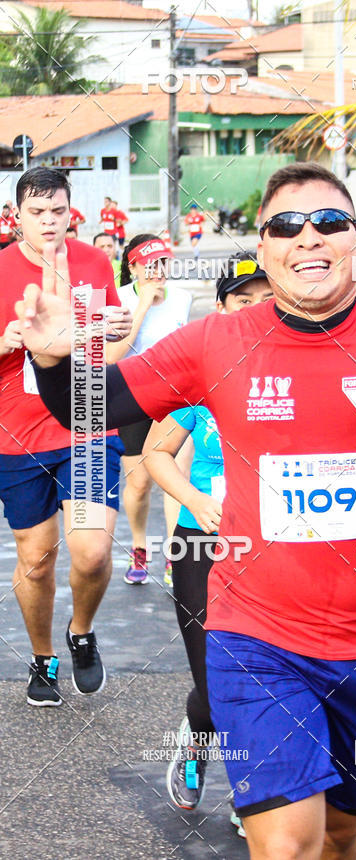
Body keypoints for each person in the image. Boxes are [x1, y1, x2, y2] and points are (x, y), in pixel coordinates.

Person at [21, 162, 356, 858]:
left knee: (340, 835)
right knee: (287, 845)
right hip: (253, 636)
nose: (307, 237)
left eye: (329, 222)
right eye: (286, 225)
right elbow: (89, 407)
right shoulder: (216, 341)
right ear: (265, 243)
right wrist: (55, 361)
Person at [144, 252, 272, 835]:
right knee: (213, 680)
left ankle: (253, 797)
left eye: (266, 298)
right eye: (243, 299)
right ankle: (198, 742)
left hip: (276, 549)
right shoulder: (202, 378)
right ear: (222, 309)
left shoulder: (302, 372)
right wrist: (195, 503)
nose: (256, 310)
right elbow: (156, 453)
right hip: (201, 545)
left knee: (267, 677)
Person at [0, 168, 132, 707]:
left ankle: (82, 631)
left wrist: (114, 329)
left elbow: (107, 348)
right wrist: (8, 340)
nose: (49, 223)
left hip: (86, 423)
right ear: (16, 216)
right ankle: (44, 656)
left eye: (58, 211)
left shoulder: (95, 262)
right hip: (18, 435)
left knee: (93, 551)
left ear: (69, 210)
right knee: (36, 559)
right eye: (37, 213)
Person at [105, 234, 192, 586]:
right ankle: (139, 547)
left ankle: (174, 553)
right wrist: (142, 305)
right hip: (131, 398)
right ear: (134, 267)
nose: (158, 271)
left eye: (163, 263)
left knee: (175, 480)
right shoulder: (119, 300)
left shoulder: (182, 298)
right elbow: (111, 358)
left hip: (175, 400)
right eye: (150, 264)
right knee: (139, 484)